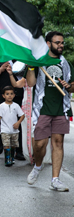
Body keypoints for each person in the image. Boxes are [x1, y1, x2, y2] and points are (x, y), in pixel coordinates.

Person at [26, 31, 74, 192]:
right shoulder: (39, 62)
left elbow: (72, 85)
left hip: (61, 109)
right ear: (48, 44)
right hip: (42, 109)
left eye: (62, 43)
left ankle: (55, 180)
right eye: (57, 42)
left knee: (58, 143)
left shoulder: (66, 64)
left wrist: (69, 86)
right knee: (39, 144)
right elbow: (31, 83)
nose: (61, 45)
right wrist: (31, 66)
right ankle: (37, 166)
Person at [0, 58, 26, 160]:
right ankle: (1, 142)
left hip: (17, 93)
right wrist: (1, 69)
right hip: (2, 94)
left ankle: (18, 151)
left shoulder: (21, 54)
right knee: (0, 119)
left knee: (17, 121)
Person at [0, 86, 25, 166]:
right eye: (7, 94)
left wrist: (18, 123)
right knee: (6, 145)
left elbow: (22, 115)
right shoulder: (1, 106)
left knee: (13, 145)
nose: (9, 95)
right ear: (3, 96)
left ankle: (11, 157)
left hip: (14, 130)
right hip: (5, 130)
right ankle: (7, 159)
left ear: (14, 95)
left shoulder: (16, 106)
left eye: (11, 94)